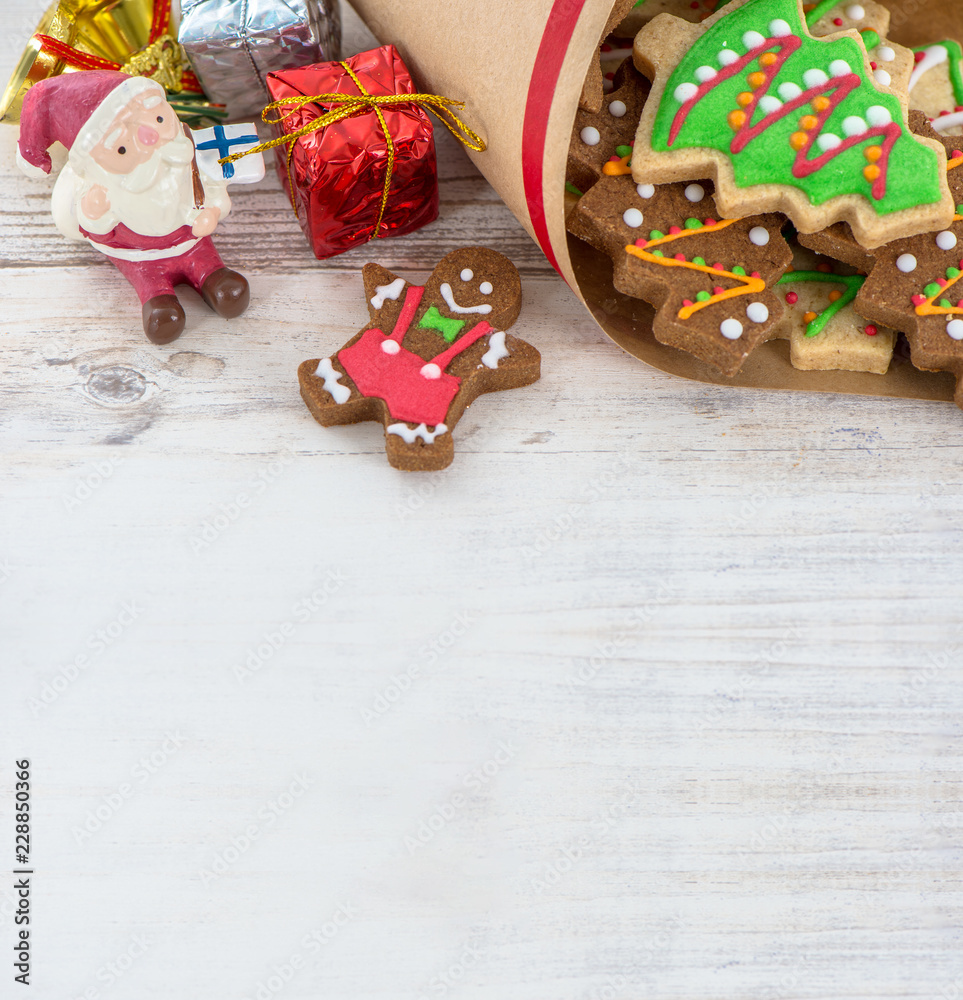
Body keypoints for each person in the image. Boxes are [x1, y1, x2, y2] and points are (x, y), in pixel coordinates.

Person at [17, 71, 249, 344]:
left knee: (215, 273)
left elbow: (213, 186)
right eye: (123, 149)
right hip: (139, 256)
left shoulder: (187, 153)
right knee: (150, 279)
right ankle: (158, 299)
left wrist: (212, 212)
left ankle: (213, 275)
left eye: (160, 119)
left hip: (193, 241)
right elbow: (94, 230)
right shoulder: (100, 189)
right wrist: (93, 214)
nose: (152, 141)